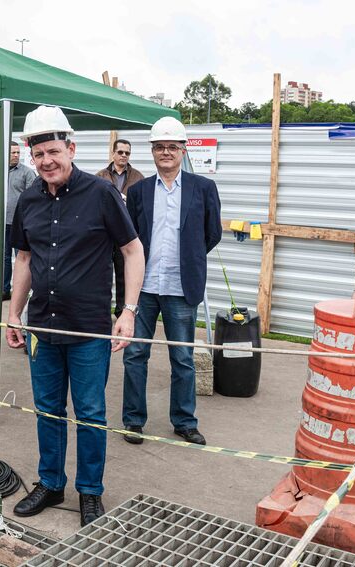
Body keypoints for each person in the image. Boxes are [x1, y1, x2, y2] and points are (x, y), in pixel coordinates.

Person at [6, 106, 145, 526]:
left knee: (90, 413)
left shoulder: (101, 194)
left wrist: (129, 311)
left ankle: (90, 492)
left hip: (88, 330)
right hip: (42, 327)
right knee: (47, 409)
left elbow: (132, 251)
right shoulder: (29, 198)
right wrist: (14, 313)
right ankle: (50, 483)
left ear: (71, 147)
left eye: (53, 151)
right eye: (38, 154)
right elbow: (24, 258)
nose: (46, 161)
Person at [122, 116, 222, 447]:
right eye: (160, 147)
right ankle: (133, 421)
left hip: (182, 286)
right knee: (136, 353)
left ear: (183, 150)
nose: (166, 152)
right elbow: (130, 238)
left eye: (172, 147)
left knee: (182, 357)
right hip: (144, 287)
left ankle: (184, 422)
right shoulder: (138, 191)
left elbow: (212, 234)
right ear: (152, 151)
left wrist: (189, 258)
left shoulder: (203, 189)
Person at [97, 140, 145, 317]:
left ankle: (122, 312)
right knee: (102, 275)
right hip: (104, 235)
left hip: (126, 233)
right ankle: (101, 310)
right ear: (113, 153)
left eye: (127, 153)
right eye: (121, 152)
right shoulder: (100, 176)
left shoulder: (138, 177)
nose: (124, 155)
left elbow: (143, 206)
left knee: (125, 275)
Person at [3, 140, 36, 301]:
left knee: (22, 258)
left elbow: (33, 198)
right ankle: (4, 290)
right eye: (12, 152)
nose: (16, 155)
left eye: (18, 152)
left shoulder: (27, 173)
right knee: (4, 258)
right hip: (2, 223)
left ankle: (22, 291)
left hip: (20, 223)